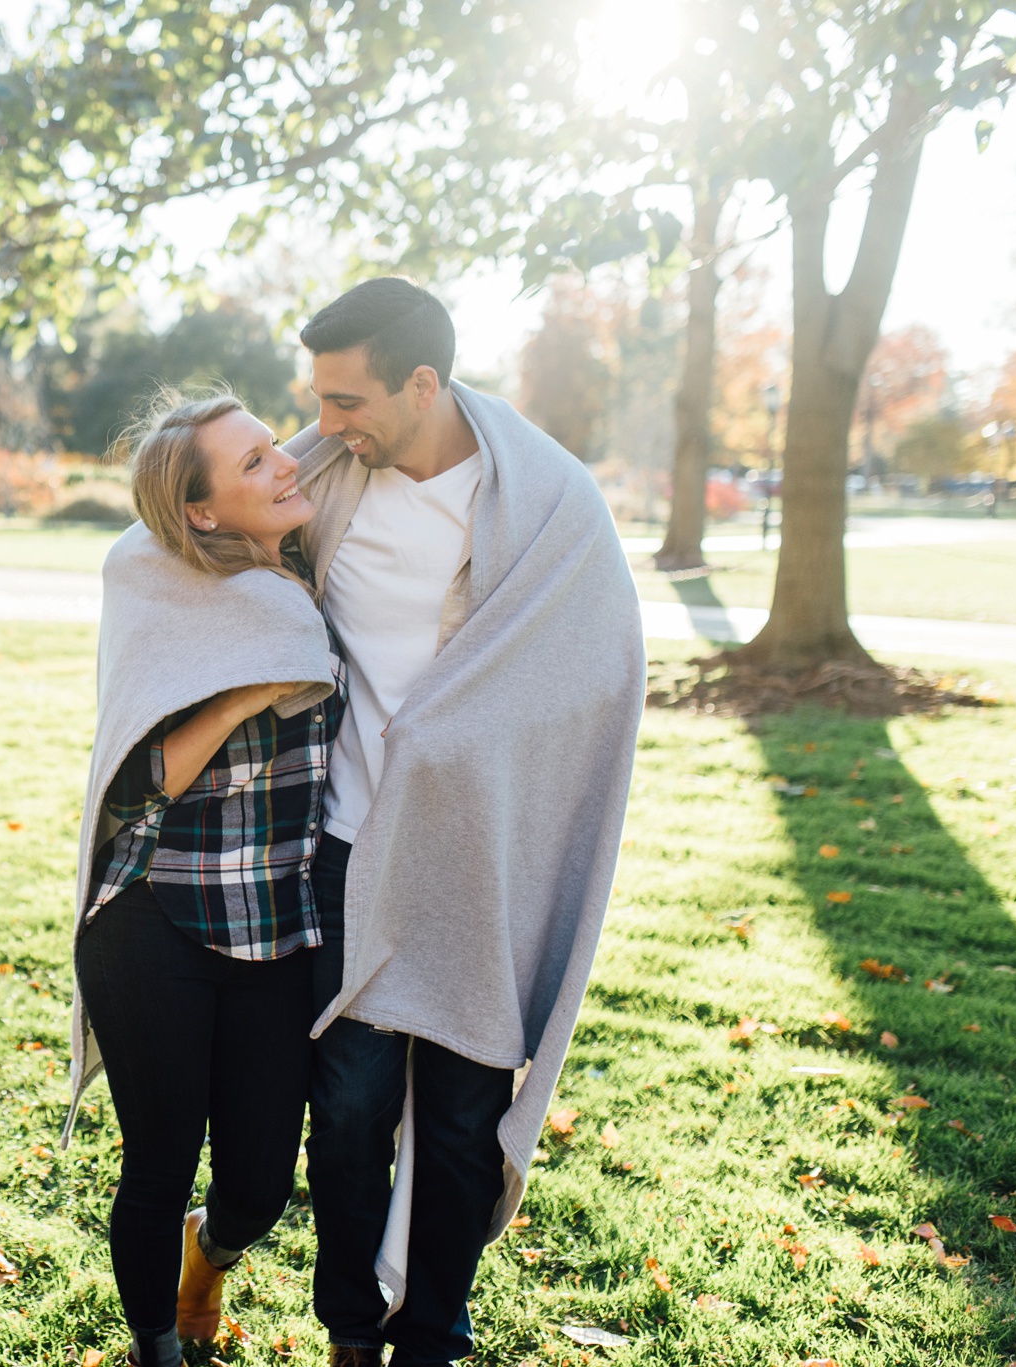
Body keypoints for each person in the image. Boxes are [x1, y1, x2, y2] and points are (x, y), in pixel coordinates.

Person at [278, 278, 644, 1367]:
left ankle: (431, 1333)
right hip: (347, 844)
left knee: (455, 1122)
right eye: (317, 398)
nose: (324, 421)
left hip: (478, 862)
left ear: (422, 382)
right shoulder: (317, 476)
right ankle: (351, 1323)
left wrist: (459, 737)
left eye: (345, 399)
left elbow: (599, 668)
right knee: (342, 1115)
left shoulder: (545, 502)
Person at [65, 390, 345, 1367]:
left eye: (275, 447)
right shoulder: (164, 582)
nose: (286, 467)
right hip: (155, 921)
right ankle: (155, 1346)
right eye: (255, 463)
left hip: (273, 924)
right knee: (156, 1161)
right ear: (200, 511)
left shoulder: (312, 568)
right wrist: (241, 695)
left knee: (262, 1180)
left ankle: (210, 1249)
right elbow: (135, 780)